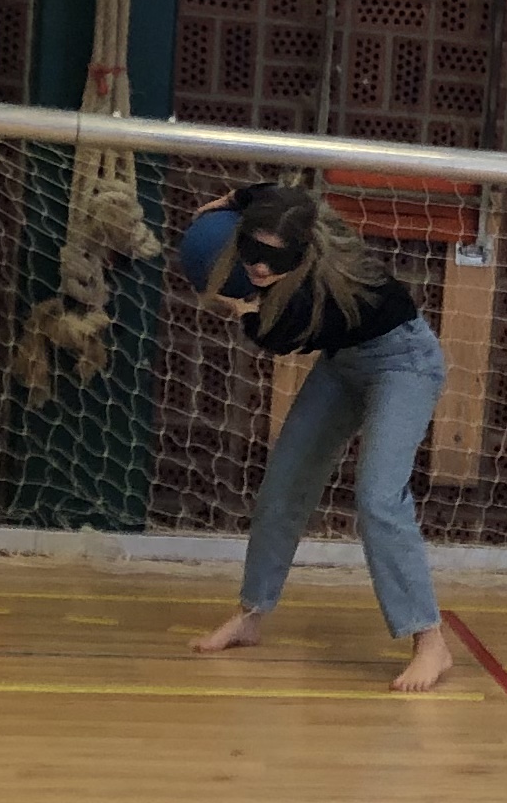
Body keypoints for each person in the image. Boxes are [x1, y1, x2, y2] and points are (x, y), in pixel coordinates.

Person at [185, 182, 453, 695]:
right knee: (284, 485)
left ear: (303, 251)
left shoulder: (324, 291)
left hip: (403, 363)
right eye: (252, 253)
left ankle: (430, 641)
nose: (259, 267)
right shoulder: (293, 226)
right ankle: (251, 614)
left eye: (273, 258)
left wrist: (233, 307)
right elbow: (277, 193)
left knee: (378, 498)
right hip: (343, 363)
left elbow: (271, 336)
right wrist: (231, 201)